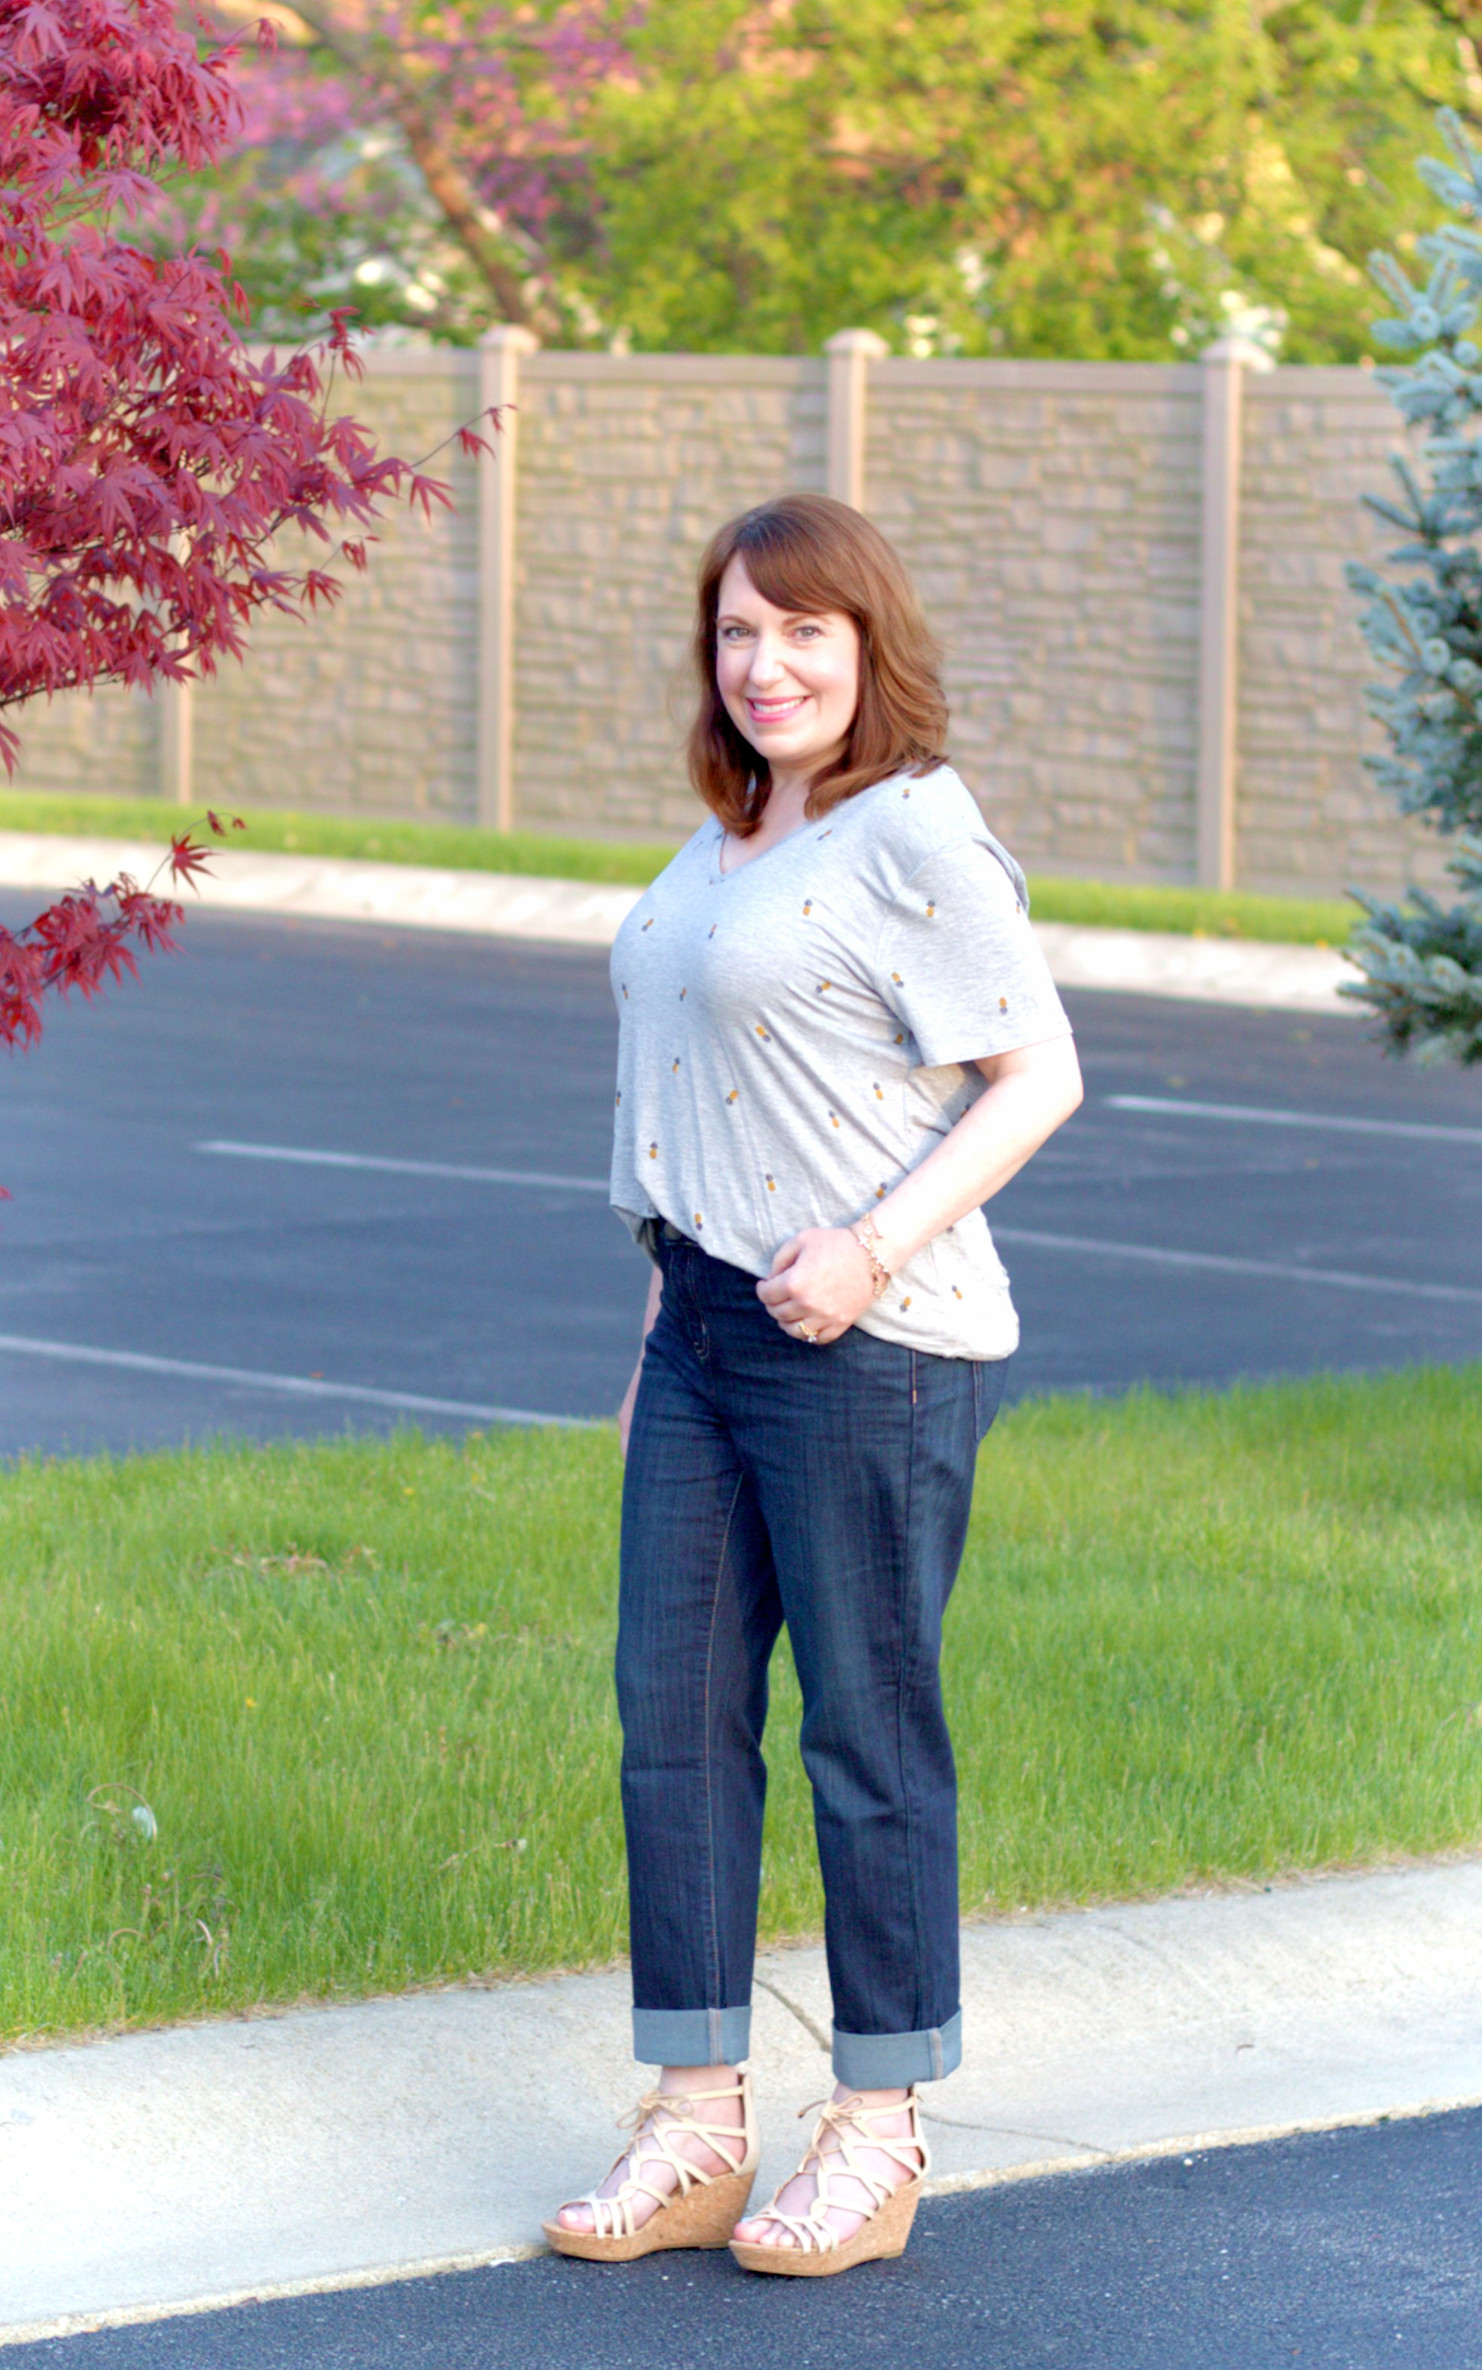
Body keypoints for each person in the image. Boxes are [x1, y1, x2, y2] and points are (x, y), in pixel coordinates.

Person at [543, 492, 1082, 2277]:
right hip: (699, 1332)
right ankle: (697, 2121)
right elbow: (689, 1118)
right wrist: (653, 1354)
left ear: (869, 649)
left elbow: (1036, 1078)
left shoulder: (913, 832)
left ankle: (878, 2126)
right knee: (671, 1720)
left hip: (873, 1342)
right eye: (733, 633)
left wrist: (863, 1245)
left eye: (803, 633)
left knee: (867, 1732)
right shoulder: (724, 838)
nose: (764, 666)